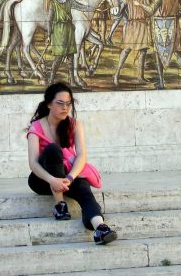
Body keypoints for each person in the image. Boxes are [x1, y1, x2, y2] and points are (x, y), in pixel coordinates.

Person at [26, 82, 117, 245]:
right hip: (42, 180)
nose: (65, 108)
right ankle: (60, 205)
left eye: (68, 104)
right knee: (53, 149)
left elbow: (81, 156)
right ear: (48, 104)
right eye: (60, 103)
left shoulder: (74, 124)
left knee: (84, 190)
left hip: (67, 173)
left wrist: (70, 176)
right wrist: (52, 180)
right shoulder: (36, 126)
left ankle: (100, 228)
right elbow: (33, 163)